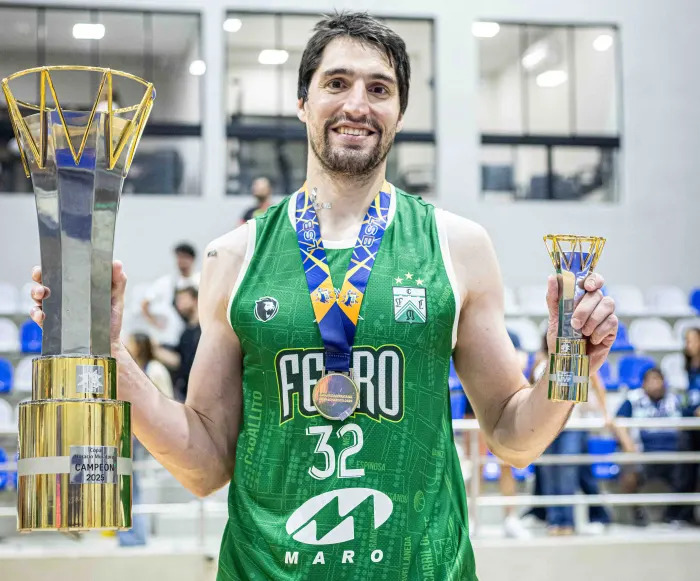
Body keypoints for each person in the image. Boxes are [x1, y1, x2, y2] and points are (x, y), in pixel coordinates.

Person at [28, 12, 618, 580]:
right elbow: (204, 465)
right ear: (302, 103)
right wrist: (111, 357)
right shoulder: (233, 256)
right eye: (337, 83)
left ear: (400, 112)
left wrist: (568, 368)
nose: (357, 104)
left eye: (379, 89)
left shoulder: (457, 245)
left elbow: (514, 438)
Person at [615, 367, 689, 526]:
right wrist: (628, 446)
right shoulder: (633, 399)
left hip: (674, 453)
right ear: (643, 384)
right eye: (651, 380)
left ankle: (676, 515)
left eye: (658, 380)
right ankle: (637, 513)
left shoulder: (674, 399)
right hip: (643, 452)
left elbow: (687, 424)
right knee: (629, 469)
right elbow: (618, 421)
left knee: (691, 467)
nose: (655, 384)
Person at [152, 287, 201, 402]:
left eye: (183, 299)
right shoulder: (186, 332)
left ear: (195, 300)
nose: (179, 304)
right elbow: (179, 358)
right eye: (178, 300)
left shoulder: (204, 329)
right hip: (187, 390)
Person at [140, 242, 200, 337]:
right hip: (171, 335)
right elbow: (145, 303)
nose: (181, 261)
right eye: (179, 257)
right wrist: (154, 322)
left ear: (192, 259)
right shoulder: (165, 283)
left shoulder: (200, 281)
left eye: (184, 257)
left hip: (195, 331)